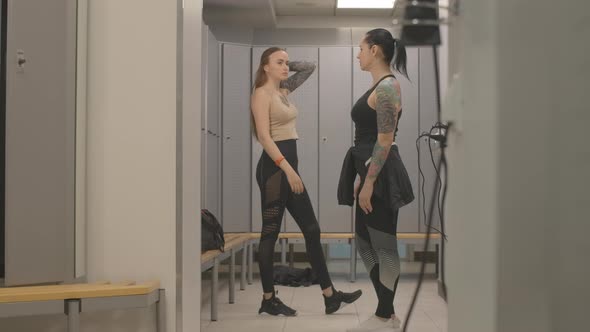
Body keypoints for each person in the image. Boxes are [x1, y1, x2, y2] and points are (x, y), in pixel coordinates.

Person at [250, 47, 362, 316]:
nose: (286, 66)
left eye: (287, 62)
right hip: (275, 171)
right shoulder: (261, 94)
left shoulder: (282, 90)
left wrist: (285, 64)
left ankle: (330, 296)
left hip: (289, 170)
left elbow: (309, 66)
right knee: (270, 234)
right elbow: (265, 138)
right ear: (265, 66)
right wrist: (288, 170)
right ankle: (268, 298)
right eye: (279, 62)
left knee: (311, 230)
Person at [338, 29, 415, 331]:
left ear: (375, 51)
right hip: (370, 171)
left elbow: (384, 139)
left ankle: (385, 315)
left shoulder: (387, 88)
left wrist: (370, 182)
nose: (358, 54)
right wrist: (362, 178)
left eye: (361, 48)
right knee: (365, 242)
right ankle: (388, 311)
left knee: (383, 245)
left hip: (381, 175)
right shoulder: (378, 86)